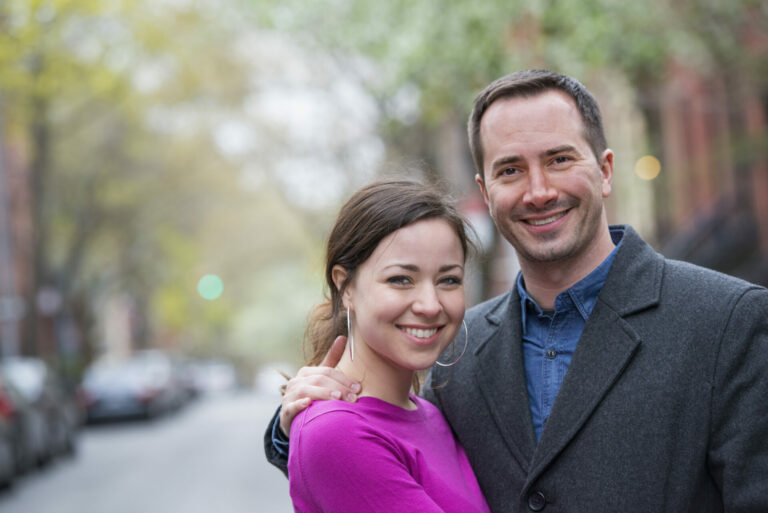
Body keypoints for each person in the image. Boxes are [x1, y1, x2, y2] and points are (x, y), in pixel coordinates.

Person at [265, 70, 768, 512]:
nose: (538, 190)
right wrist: (292, 431)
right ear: (486, 192)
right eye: (510, 170)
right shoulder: (456, 348)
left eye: (559, 159)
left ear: (606, 170)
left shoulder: (729, 322)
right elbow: (375, 466)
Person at [282, 179, 491, 513]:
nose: (430, 304)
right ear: (345, 286)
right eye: (400, 279)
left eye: (448, 279)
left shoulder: (431, 414)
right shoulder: (335, 432)